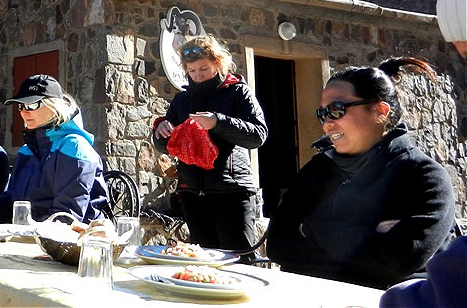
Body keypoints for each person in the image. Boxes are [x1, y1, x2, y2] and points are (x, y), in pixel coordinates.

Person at [266, 57, 456, 289]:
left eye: (336, 110)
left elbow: (398, 261)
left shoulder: (424, 177)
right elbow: (278, 245)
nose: (326, 123)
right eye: (322, 113)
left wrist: (311, 227)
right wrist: (367, 238)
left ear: (380, 111)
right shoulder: (318, 169)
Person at [152, 34, 268, 257]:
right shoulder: (182, 100)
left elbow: (258, 135)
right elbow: (166, 146)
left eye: (203, 68)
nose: (198, 75)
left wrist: (217, 122)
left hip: (232, 192)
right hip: (193, 194)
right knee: (203, 261)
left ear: (218, 62)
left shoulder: (238, 92)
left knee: (239, 261)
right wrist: (162, 131)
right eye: (192, 71)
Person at [0, 74, 108, 223]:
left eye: (32, 105)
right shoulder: (27, 150)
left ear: (54, 105)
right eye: (20, 105)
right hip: (29, 236)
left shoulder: (75, 148)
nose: (24, 112)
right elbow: (12, 205)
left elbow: (66, 218)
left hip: (78, 241)